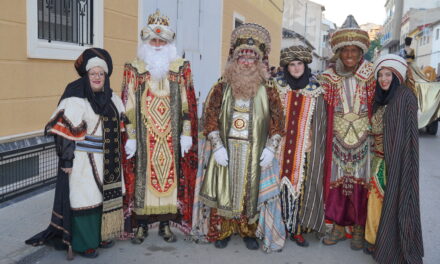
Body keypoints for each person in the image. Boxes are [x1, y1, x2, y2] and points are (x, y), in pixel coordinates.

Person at [25, 48, 125, 259]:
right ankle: (85, 243)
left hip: (110, 161)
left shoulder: (113, 98)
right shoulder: (76, 98)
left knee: (104, 199)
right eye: (93, 73)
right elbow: (66, 134)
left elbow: (123, 127)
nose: (97, 78)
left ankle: (104, 234)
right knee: (85, 201)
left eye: (101, 74)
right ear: (86, 75)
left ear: (105, 76)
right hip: (83, 160)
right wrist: (67, 159)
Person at [199, 23, 285, 251]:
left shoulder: (269, 88)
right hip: (227, 148)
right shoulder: (222, 86)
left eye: (252, 59)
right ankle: (226, 230)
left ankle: (248, 231)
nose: (246, 63)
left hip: (255, 149)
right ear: (234, 61)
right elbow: (210, 116)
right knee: (226, 190)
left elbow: (278, 120)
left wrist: (271, 147)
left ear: (258, 62)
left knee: (250, 191)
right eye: (242, 58)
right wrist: (217, 146)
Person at [121, 10, 198, 244]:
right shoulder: (134, 68)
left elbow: (188, 103)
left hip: (172, 136)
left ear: (168, 43)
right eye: (153, 40)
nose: (157, 44)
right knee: (144, 180)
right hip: (145, 138)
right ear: (146, 42)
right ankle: (142, 226)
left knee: (170, 180)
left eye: (161, 41)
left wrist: (186, 134)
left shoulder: (181, 67)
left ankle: (165, 225)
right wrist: (131, 137)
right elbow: (128, 105)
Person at [319, 15, 375, 250]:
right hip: (338, 139)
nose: (350, 55)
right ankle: (339, 225)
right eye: (345, 51)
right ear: (339, 52)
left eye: (354, 50)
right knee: (338, 183)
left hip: (364, 139)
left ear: (360, 51)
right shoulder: (328, 78)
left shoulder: (373, 74)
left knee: (362, 183)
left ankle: (360, 226)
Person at [364, 54, 423, 263]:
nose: (383, 79)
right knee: (376, 201)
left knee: (392, 201)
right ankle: (375, 239)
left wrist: (396, 160)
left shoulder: (405, 97)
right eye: (380, 75)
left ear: (397, 75)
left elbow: (406, 137)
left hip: (397, 161)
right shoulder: (381, 99)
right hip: (379, 160)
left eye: (388, 74)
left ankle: (389, 244)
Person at [275, 45, 327, 247]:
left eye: (299, 64)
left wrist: (313, 139)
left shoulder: (315, 90)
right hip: (279, 146)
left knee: (300, 188)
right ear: (286, 68)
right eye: (291, 65)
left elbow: (320, 120)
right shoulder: (277, 86)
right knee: (278, 187)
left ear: (305, 66)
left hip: (304, 148)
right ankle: (277, 226)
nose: (295, 68)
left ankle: (296, 228)